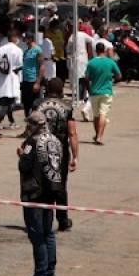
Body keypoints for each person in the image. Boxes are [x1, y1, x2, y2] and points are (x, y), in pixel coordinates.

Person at [17, 107, 65, 276]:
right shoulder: (55, 140)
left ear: (34, 125)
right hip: (51, 190)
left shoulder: (32, 141)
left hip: (35, 192)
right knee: (49, 233)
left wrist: (21, 156)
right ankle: (51, 275)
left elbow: (24, 166)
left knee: (37, 236)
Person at [34, 77, 79, 232]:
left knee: (39, 183)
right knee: (59, 186)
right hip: (58, 150)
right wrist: (75, 156)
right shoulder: (67, 106)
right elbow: (72, 133)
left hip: (39, 146)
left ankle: (39, 217)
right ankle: (62, 219)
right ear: (61, 91)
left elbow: (30, 127)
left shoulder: (37, 104)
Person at [85, 42, 121, 145]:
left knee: (96, 116)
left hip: (94, 92)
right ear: (104, 50)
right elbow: (119, 76)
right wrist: (112, 81)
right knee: (103, 114)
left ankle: (97, 135)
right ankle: (100, 137)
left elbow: (86, 78)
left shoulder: (91, 63)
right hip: (106, 92)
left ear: (96, 51)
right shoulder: (110, 62)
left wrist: (89, 89)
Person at [0, 30, 23, 130]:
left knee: (8, 101)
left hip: (1, 79)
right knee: (7, 102)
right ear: (13, 38)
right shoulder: (18, 50)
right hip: (11, 79)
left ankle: (12, 121)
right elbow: (19, 66)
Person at [68, 23, 96, 120]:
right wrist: (93, 53)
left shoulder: (72, 36)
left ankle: (81, 96)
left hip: (75, 59)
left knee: (79, 78)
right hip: (83, 59)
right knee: (84, 78)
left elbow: (68, 49)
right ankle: (83, 97)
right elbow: (92, 41)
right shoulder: (82, 35)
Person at [20, 32, 42, 115]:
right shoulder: (26, 51)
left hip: (33, 80)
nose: (24, 40)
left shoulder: (37, 50)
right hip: (25, 80)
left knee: (34, 104)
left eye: (25, 38)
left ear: (30, 39)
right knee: (26, 103)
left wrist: (38, 82)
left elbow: (42, 66)